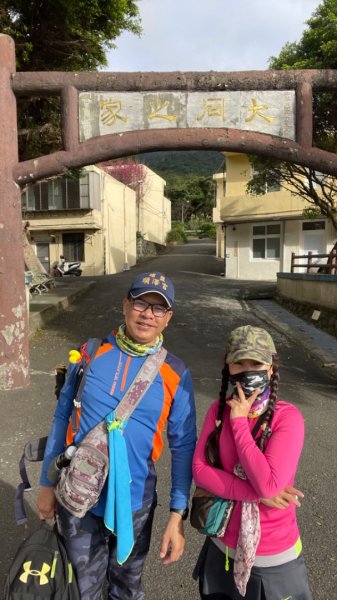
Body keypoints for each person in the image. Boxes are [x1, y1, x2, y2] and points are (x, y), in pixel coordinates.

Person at [37, 271, 197, 600]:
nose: (147, 314)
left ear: (168, 319)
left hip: (135, 502)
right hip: (79, 497)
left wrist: (177, 516)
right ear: (125, 305)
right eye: (141, 303)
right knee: (82, 587)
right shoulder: (92, 353)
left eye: (158, 308)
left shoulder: (176, 374)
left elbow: (183, 447)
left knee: (127, 587)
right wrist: (45, 484)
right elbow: (61, 416)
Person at [192, 325, 312, 600]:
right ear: (228, 368)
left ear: (271, 369)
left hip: (273, 560)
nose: (248, 370)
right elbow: (200, 472)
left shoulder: (287, 418)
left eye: (256, 363)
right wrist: (255, 494)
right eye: (239, 363)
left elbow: (269, 485)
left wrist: (239, 424)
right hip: (220, 547)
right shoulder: (217, 409)